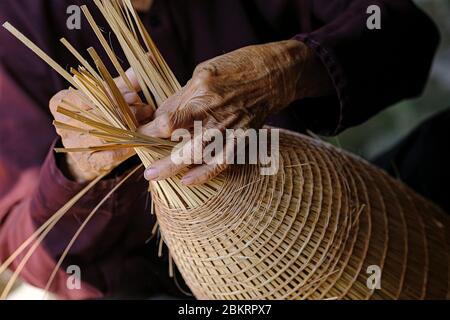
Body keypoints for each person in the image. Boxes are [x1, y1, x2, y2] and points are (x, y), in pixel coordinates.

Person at [0, 0, 444, 299]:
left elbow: (398, 26)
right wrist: (78, 164)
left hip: (322, 215)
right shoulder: (17, 22)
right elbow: (23, 246)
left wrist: (288, 68)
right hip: (178, 289)